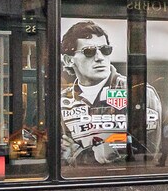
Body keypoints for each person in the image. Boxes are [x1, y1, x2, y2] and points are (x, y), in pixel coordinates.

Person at [60, 21, 162, 166]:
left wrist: (79, 154)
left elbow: (147, 154)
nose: (100, 57)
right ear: (68, 60)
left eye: (105, 50)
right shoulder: (63, 100)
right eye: (89, 51)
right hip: (78, 181)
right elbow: (60, 154)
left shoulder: (140, 92)